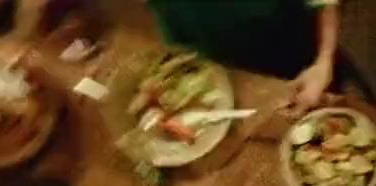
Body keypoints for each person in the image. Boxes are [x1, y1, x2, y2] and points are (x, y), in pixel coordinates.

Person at [146, 0, 342, 114]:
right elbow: (173, 30)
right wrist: (173, 78)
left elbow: (323, 2)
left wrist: (324, 60)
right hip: (221, 67)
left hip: (292, 53)